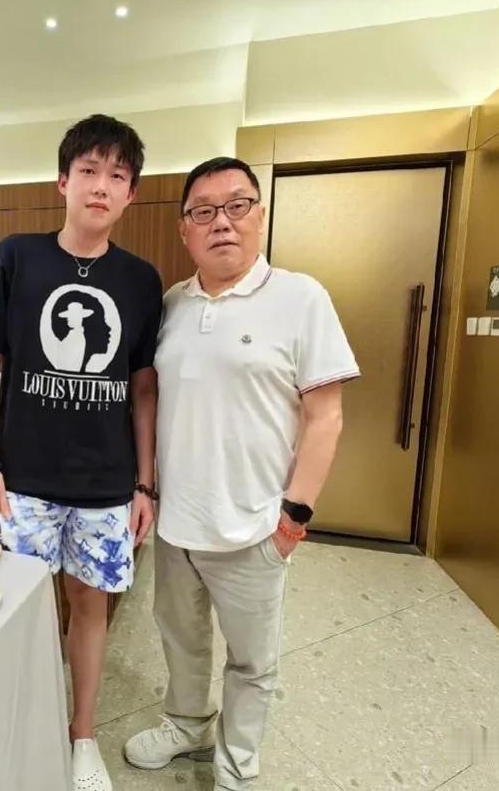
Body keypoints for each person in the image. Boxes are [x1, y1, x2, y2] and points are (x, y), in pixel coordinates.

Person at [125, 156, 359, 790]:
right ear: (184, 229)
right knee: (180, 637)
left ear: (260, 215)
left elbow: (326, 416)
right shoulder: (172, 304)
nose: (221, 222)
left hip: (256, 524)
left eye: (236, 206)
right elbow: (151, 399)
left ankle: (237, 760)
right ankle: (187, 724)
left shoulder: (301, 298)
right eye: (203, 211)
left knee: (253, 661)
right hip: (177, 521)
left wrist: (294, 516)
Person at [0, 114, 163, 791]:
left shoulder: (140, 280)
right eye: (88, 171)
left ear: (131, 194)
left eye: (117, 175)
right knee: (18, 607)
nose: (101, 186)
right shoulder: (17, 257)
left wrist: (144, 484)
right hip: (23, 480)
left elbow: (143, 389)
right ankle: (20, 723)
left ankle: (82, 736)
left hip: (106, 485)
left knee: (91, 605)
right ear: (62, 181)